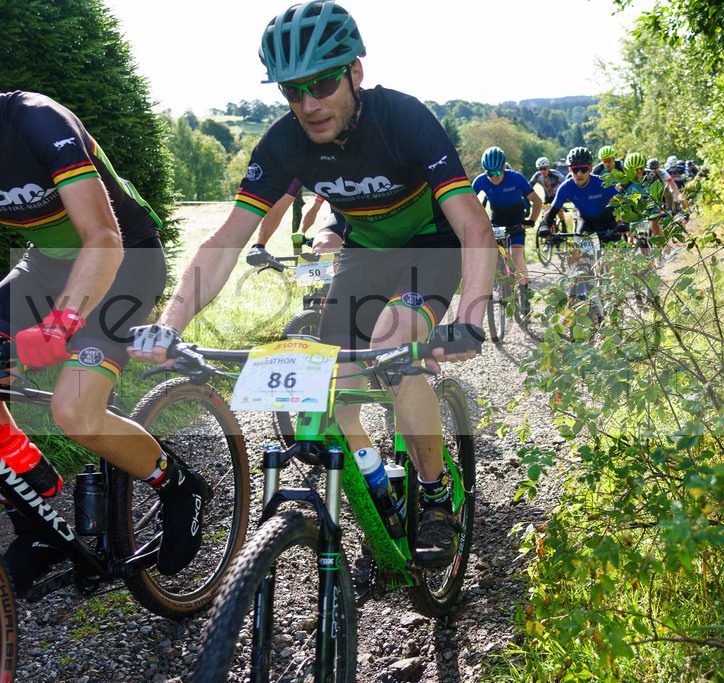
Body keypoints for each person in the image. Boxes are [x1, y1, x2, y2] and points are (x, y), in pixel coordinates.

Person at [128, 1, 495, 569]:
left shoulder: (404, 119)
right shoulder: (282, 143)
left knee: (393, 343)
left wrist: (469, 315)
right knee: (323, 398)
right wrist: (170, 325)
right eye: (292, 91)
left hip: (432, 247)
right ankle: (379, 480)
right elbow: (225, 239)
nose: (308, 104)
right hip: (365, 255)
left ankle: (436, 489)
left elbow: (473, 223)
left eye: (322, 84)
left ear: (356, 72)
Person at [0, 90, 209, 591]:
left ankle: (180, 487)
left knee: (75, 412)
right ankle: (37, 515)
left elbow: (103, 238)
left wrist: (60, 324)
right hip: (45, 266)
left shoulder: (36, 121)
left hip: (124, 259)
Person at [472, 147, 541, 313]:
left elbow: (537, 201)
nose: (494, 177)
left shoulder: (515, 177)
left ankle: (524, 296)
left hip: (516, 218)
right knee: (494, 253)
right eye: (490, 173)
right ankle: (499, 277)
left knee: (516, 257)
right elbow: (469, 205)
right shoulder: (480, 181)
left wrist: (531, 221)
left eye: (497, 172)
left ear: (504, 168)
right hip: (496, 218)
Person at [245, 178, 342, 265]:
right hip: (340, 217)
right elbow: (280, 208)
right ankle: (330, 284)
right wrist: (259, 245)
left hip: (356, 219)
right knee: (322, 250)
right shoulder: (311, 168)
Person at [538, 146, 624, 244]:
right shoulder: (566, 187)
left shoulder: (602, 183)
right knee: (581, 256)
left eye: (584, 169)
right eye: (575, 170)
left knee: (613, 256)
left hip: (608, 222)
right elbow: (552, 212)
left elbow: (622, 202)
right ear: (570, 170)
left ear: (591, 169)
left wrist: (624, 222)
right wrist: (544, 227)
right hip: (585, 222)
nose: (579, 173)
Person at [528, 157, 567, 230]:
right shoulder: (537, 176)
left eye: (544, 168)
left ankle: (563, 223)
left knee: (558, 209)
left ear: (548, 167)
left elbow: (565, 183)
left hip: (557, 196)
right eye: (540, 169)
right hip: (548, 197)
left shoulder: (555, 174)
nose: (542, 171)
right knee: (545, 212)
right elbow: (529, 186)